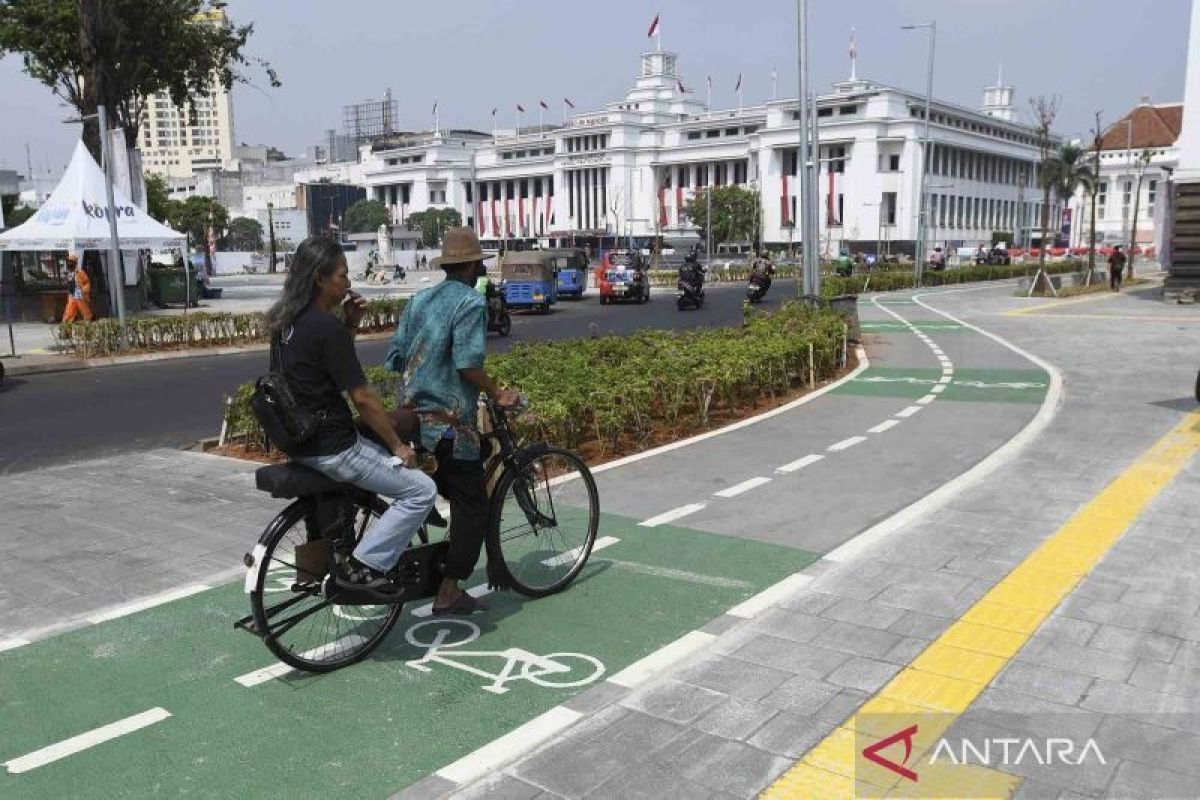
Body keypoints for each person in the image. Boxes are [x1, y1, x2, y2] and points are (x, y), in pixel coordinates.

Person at [264, 236, 437, 600]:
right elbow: (362, 397)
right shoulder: (325, 328)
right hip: (333, 446)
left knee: (378, 444)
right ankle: (362, 565)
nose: (348, 283)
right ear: (320, 279)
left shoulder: (286, 322)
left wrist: (350, 325)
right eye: (342, 275)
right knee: (421, 491)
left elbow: (315, 374)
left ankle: (344, 543)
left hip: (300, 441)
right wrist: (398, 446)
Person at [386, 227, 521, 615]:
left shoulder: (419, 300)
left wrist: (426, 371)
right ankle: (448, 589)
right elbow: (468, 364)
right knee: (472, 504)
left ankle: (427, 513)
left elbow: (396, 357)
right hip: (449, 424)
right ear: (475, 265)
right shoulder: (470, 303)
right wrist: (498, 393)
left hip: (412, 416)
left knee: (450, 473)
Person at [61, 254, 94, 323]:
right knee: (69, 309)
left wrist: (84, 290)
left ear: (74, 263)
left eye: (70, 261)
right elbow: (66, 283)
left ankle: (88, 321)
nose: (68, 263)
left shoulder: (80, 272)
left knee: (83, 308)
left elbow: (87, 282)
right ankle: (66, 323)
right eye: (68, 261)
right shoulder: (68, 273)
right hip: (71, 293)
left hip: (78, 292)